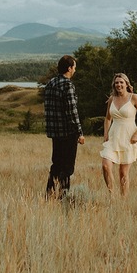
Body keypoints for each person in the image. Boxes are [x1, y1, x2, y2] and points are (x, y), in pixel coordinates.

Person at [100, 73, 137, 197]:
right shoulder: (112, 99)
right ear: (114, 85)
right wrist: (105, 133)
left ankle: (124, 200)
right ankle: (112, 195)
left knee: (123, 172)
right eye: (116, 82)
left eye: (121, 82)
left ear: (127, 84)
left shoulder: (134, 98)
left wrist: (136, 134)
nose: (119, 84)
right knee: (105, 166)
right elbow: (107, 118)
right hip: (113, 137)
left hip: (129, 137)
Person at [44, 55, 85, 199]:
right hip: (68, 133)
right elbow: (72, 111)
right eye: (74, 67)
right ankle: (64, 196)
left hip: (55, 133)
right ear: (69, 68)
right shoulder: (67, 85)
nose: (74, 70)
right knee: (67, 168)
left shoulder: (51, 83)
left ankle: (49, 194)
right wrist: (79, 132)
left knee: (56, 165)